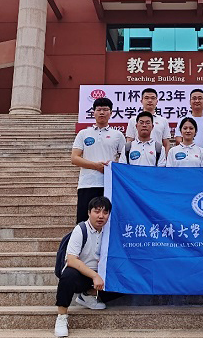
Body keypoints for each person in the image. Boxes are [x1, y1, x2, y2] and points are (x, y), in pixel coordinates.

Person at [54, 196, 113, 338]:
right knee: (68, 276)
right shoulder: (80, 230)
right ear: (88, 212)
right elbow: (71, 260)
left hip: (100, 274)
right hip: (82, 274)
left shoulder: (109, 231)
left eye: (105, 212)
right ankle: (61, 317)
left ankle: (88, 295)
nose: (101, 216)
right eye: (97, 211)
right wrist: (94, 276)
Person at [71, 97, 125, 223]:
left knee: (107, 220)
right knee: (84, 221)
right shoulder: (83, 133)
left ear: (111, 113)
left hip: (109, 185)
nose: (102, 112)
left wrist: (111, 167)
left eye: (105, 110)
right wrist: (96, 166)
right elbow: (74, 158)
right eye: (99, 109)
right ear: (93, 112)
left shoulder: (117, 135)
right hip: (87, 183)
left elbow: (124, 161)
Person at [125, 88, 172, 152]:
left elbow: (166, 144)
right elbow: (129, 142)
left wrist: (164, 157)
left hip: (157, 156)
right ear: (141, 101)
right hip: (136, 156)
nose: (150, 100)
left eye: (153, 98)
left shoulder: (163, 121)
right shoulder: (133, 120)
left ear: (157, 101)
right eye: (146, 98)